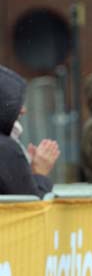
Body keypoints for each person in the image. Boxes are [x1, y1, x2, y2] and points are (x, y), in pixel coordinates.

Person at [0, 64, 59, 198]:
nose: (23, 110)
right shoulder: (6, 149)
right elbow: (31, 208)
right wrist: (40, 172)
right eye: (16, 103)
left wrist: (24, 171)